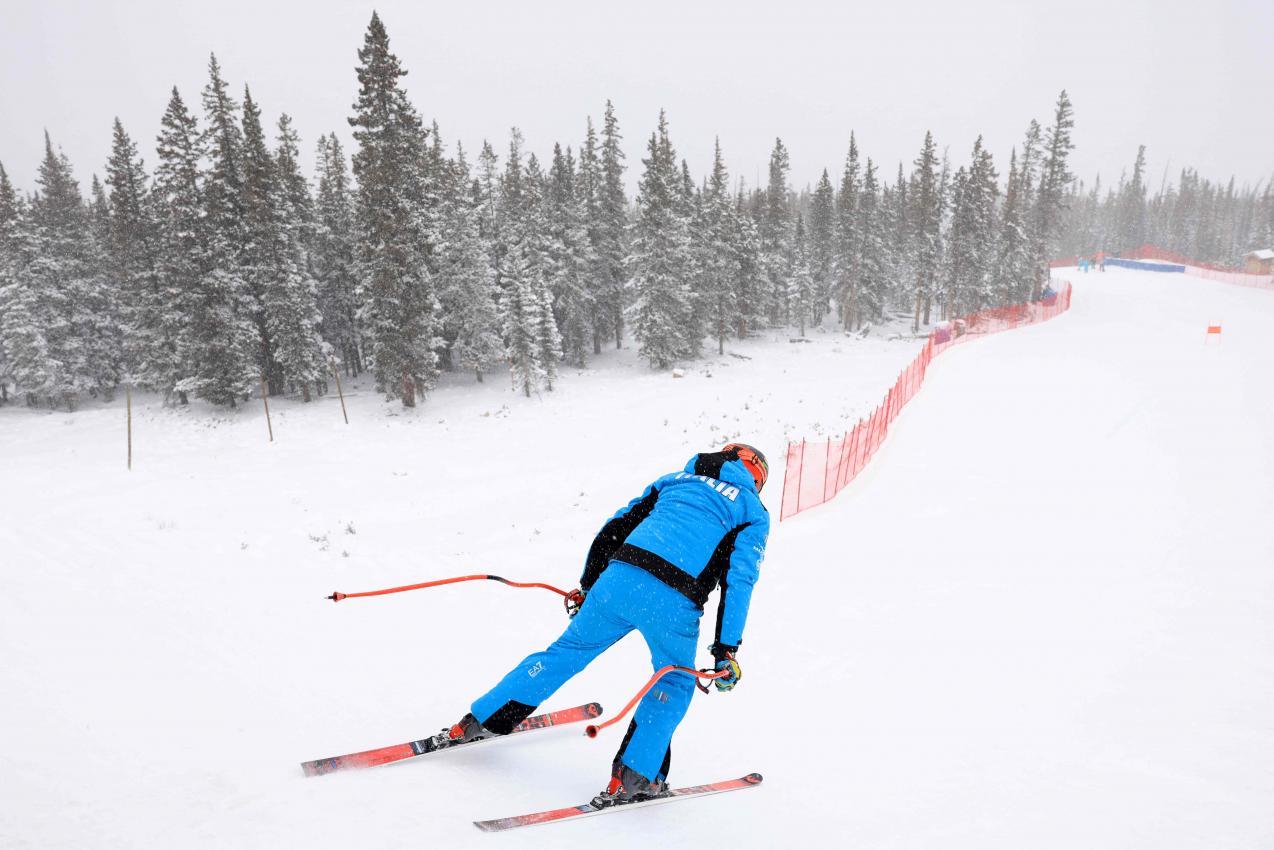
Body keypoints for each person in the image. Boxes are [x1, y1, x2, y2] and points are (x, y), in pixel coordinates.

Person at [441, 444, 771, 807]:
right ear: (756, 476)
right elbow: (739, 582)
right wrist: (726, 651)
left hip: (617, 581)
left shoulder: (674, 480)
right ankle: (635, 777)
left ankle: (479, 720)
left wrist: (588, 586)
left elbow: (614, 529)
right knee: (674, 679)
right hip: (674, 600)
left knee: (564, 654)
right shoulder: (751, 510)